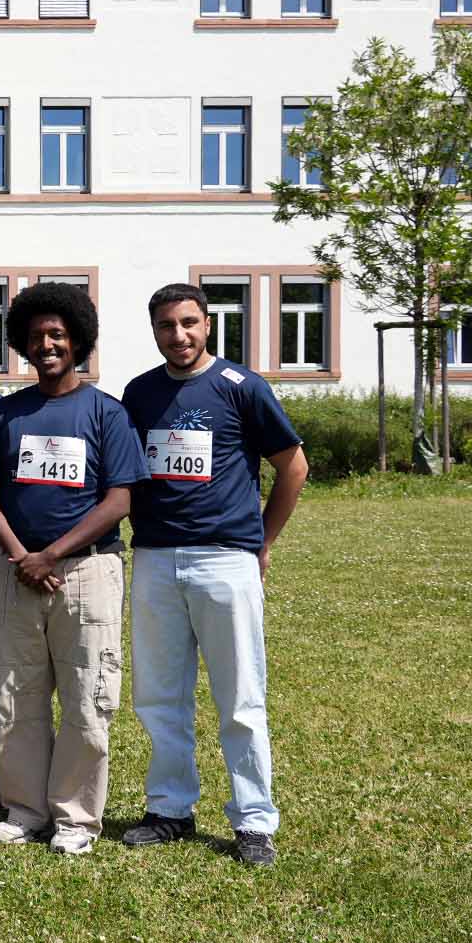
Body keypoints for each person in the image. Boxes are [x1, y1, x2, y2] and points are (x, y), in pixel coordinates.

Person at [118, 282, 308, 868]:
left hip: (225, 559)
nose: (179, 336)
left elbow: (292, 466)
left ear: (208, 324)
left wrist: (263, 542)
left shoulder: (242, 387)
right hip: (153, 557)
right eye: (167, 326)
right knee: (158, 694)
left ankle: (254, 819)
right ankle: (170, 809)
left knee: (241, 698)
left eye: (189, 323)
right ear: (154, 330)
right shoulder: (139, 392)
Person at [0, 282, 149, 856]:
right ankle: (24, 809)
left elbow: (119, 500)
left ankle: (75, 817)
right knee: (16, 697)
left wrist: (52, 554)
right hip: (14, 574)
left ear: (77, 341)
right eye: (36, 336)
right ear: (22, 343)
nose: (46, 344)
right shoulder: (7, 412)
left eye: (57, 335)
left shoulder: (106, 413)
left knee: (86, 699)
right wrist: (23, 556)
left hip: (86, 576)